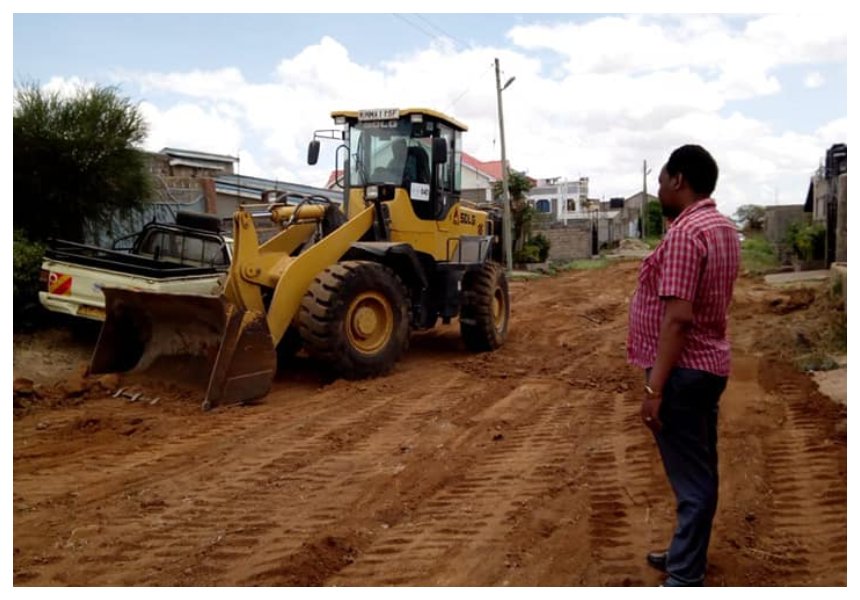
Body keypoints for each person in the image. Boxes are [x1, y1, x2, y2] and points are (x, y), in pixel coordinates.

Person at [627, 144, 740, 587]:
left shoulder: (685, 233)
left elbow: (678, 318)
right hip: (708, 366)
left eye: (660, 181)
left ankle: (685, 576)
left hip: (683, 371)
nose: (658, 190)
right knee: (701, 469)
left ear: (678, 181)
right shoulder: (722, 228)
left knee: (692, 480)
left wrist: (654, 390)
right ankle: (684, 553)